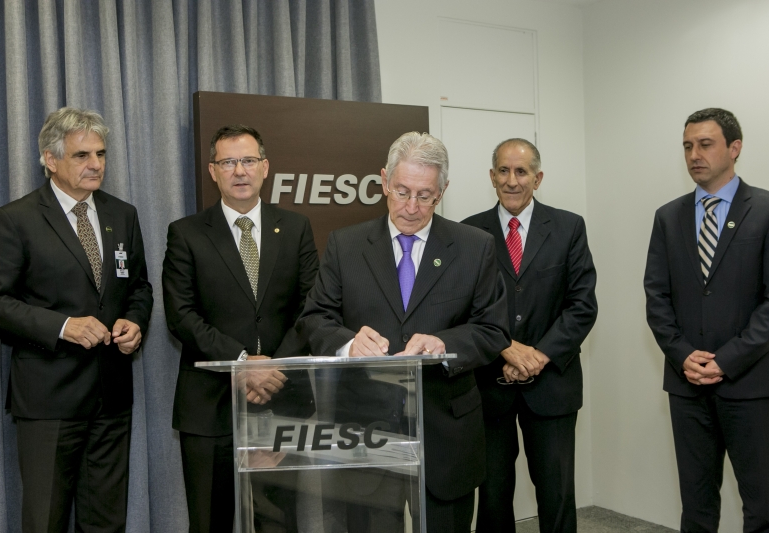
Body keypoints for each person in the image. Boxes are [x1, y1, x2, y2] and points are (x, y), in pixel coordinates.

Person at [296, 131, 510, 533]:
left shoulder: (474, 246)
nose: (411, 207)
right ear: (383, 181)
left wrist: (446, 342)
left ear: (442, 191)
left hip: (446, 430)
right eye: (402, 191)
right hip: (366, 430)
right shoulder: (347, 244)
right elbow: (314, 317)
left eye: (425, 195)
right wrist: (347, 343)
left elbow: (493, 329)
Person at [0, 107, 154, 532]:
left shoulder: (122, 214)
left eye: (100, 153)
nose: (95, 164)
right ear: (50, 159)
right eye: (81, 155)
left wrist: (134, 321)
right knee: (46, 520)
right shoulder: (16, 219)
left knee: (106, 522)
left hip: (111, 397)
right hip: (48, 400)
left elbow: (140, 287)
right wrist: (63, 326)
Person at [162, 124, 319, 533]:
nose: (240, 171)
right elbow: (181, 314)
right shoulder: (186, 233)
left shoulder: (297, 227)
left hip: (282, 398)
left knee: (281, 521)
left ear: (265, 167)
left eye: (248, 160)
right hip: (209, 407)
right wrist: (243, 363)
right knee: (209, 521)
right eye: (228, 162)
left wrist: (273, 368)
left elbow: (312, 308)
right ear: (213, 171)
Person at [644, 108, 769, 532]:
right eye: (687, 146)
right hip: (688, 385)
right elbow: (656, 297)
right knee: (696, 505)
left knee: (761, 505)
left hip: (750, 383)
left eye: (705, 144)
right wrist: (684, 356)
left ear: (734, 148)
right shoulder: (669, 216)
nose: (694, 154)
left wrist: (727, 359)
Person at [462, 139, 597, 532]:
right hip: (489, 385)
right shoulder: (470, 232)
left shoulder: (569, 227)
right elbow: (465, 310)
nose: (512, 180)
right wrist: (505, 350)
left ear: (537, 178)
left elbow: (582, 305)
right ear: (491, 177)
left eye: (521, 172)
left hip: (552, 384)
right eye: (503, 171)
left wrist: (538, 355)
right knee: (492, 495)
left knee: (556, 494)